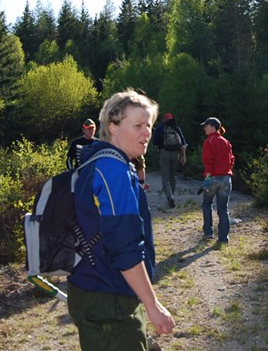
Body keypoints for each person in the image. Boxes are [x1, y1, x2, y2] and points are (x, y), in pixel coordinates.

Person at [68, 90, 175, 349]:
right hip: (109, 298)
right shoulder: (114, 170)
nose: (147, 132)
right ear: (112, 127)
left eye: (149, 125)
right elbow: (124, 248)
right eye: (138, 125)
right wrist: (153, 306)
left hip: (93, 288)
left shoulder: (96, 161)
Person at [200, 116, 235, 244]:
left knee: (206, 204)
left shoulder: (208, 141)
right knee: (223, 209)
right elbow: (232, 159)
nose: (204, 128)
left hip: (212, 178)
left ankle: (208, 233)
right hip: (226, 178)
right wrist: (226, 170)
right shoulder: (226, 142)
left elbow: (207, 161)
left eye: (206, 126)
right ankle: (223, 239)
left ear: (213, 127)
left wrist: (207, 178)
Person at [151, 112, 187, 208]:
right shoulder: (176, 128)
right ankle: (172, 195)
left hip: (164, 153)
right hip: (176, 154)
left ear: (164, 120)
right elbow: (183, 143)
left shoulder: (160, 128)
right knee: (172, 176)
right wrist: (183, 156)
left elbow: (154, 142)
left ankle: (170, 197)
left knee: (165, 177)